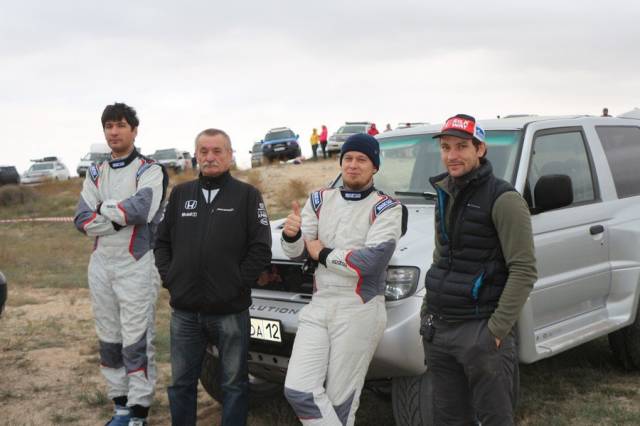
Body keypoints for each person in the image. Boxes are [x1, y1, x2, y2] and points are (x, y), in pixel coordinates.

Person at [420, 114, 537, 425]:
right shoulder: (444, 193)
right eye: (446, 147)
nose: (452, 155)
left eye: (461, 146)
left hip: (481, 331)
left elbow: (524, 269)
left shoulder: (504, 198)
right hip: (439, 329)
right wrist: (426, 312)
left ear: (480, 149)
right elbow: (442, 257)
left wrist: (495, 331)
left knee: (495, 418)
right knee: (448, 420)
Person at [282, 133, 405, 426]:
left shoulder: (388, 207)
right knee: (299, 391)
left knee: (340, 405)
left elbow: (370, 263)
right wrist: (292, 235)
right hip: (319, 304)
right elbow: (298, 252)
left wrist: (323, 253)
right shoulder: (319, 199)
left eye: (362, 159)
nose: (353, 164)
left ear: (375, 167)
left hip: (359, 308)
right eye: (348, 158)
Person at [154, 128, 272, 426]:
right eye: (204, 151)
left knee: (234, 384)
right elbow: (161, 243)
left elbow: (260, 248)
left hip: (230, 311)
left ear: (230, 155)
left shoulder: (247, 196)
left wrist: (237, 285)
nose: (210, 157)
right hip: (185, 311)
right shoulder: (180, 195)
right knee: (181, 383)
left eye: (217, 151)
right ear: (196, 156)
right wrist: (171, 278)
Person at [74, 103, 168, 426]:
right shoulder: (96, 171)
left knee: (136, 338)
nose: (114, 132)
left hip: (136, 264)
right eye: (109, 126)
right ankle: (121, 406)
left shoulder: (150, 170)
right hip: (101, 264)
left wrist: (102, 208)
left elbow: (140, 211)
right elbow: (81, 218)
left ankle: (139, 411)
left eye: (120, 125)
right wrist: (115, 216)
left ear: (134, 130)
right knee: (109, 337)